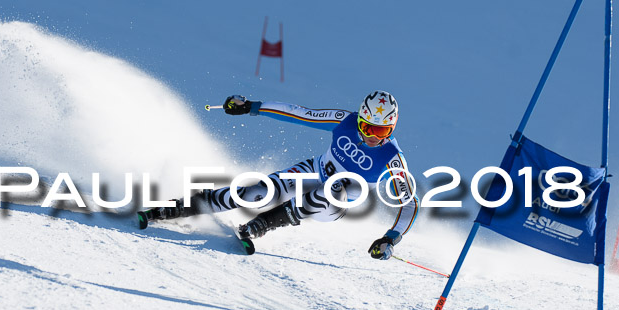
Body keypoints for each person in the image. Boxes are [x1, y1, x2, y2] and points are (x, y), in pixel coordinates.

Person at [139, 91, 419, 260]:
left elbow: (410, 204)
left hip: (336, 202)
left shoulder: (393, 159)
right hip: (312, 171)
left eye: (380, 132)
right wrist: (252, 106)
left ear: (391, 130)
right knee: (255, 192)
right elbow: (300, 114)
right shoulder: (343, 120)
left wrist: (390, 238)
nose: (371, 136)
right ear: (359, 117)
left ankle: (262, 225)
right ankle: (174, 208)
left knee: (331, 190)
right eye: (366, 127)